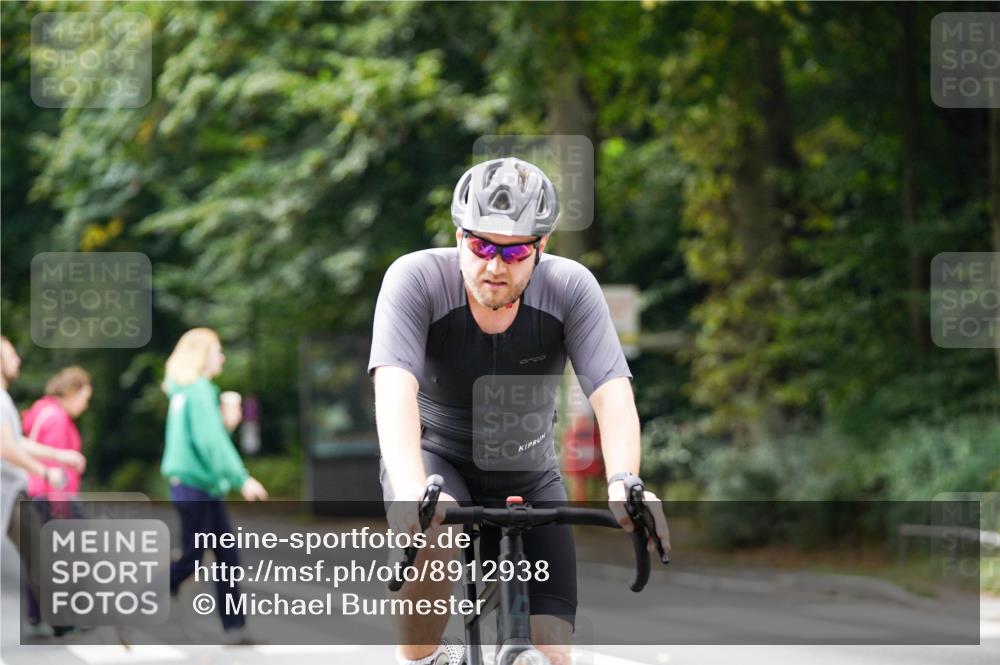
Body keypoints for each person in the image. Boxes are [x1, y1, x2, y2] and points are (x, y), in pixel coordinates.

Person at [370, 158, 671, 665]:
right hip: (436, 465)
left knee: (552, 650)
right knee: (422, 615)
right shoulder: (415, 278)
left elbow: (611, 392)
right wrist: (407, 489)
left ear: (541, 247)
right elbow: (394, 389)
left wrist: (625, 479)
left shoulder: (570, 287)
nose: (495, 265)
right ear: (458, 235)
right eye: (482, 245)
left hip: (528, 475)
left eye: (513, 252)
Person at [160, 328, 268, 644]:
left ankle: (235, 628)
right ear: (202, 356)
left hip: (195, 486)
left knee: (225, 558)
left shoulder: (183, 391)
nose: (221, 357)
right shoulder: (199, 390)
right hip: (197, 487)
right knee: (196, 558)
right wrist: (241, 477)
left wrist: (226, 425)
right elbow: (210, 444)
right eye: (217, 351)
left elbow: (204, 440)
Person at [20, 366, 93, 629]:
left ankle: (37, 614)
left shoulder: (42, 410)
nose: (85, 406)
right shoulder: (57, 419)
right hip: (52, 495)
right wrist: (61, 505)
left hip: (37, 493)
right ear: (72, 392)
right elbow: (56, 468)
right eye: (84, 398)